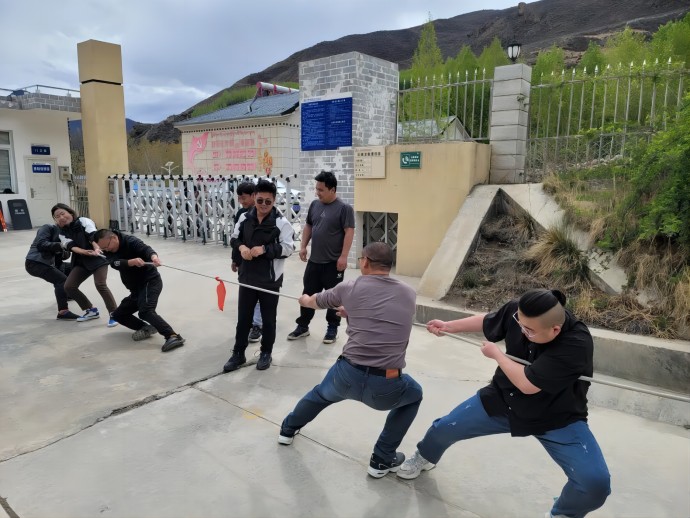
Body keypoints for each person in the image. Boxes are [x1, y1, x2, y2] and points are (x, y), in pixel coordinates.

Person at [398, 289, 611, 518]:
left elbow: (528, 384)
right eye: (520, 324)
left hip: (557, 416)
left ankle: (564, 513)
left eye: (529, 330)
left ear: (555, 330)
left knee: (594, 483)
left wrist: (497, 355)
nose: (522, 330)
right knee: (444, 428)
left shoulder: (576, 342)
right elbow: (490, 319)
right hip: (505, 399)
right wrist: (449, 326)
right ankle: (425, 456)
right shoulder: (521, 312)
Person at [278, 242, 423, 479]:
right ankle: (382, 459)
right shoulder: (409, 293)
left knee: (320, 395)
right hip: (386, 384)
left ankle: (287, 430)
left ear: (365, 262)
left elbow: (314, 302)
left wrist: (304, 299)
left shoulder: (349, 287)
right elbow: (386, 317)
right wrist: (352, 312)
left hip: (347, 375)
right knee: (414, 395)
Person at [223, 179, 294, 372]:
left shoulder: (281, 223)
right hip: (247, 277)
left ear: (274, 201)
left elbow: (288, 248)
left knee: (268, 320)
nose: (263, 205)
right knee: (243, 319)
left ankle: (265, 353)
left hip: (270, 280)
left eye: (268, 202)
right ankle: (238, 353)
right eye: (260, 200)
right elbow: (234, 238)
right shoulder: (244, 218)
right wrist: (242, 248)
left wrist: (264, 249)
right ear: (254, 198)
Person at [287, 171, 354, 344]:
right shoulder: (315, 205)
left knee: (334, 297)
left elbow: (349, 232)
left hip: (333, 263)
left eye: (321, 190)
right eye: (317, 189)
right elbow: (309, 226)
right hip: (314, 261)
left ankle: (332, 328)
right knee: (307, 293)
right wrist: (303, 246)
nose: (317, 192)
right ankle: (303, 326)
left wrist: (344, 257)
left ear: (333, 190)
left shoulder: (344, 208)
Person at [93, 229, 185, 353]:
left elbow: (146, 249)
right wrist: (131, 262)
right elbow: (114, 263)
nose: (106, 250)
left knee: (146, 311)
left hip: (149, 282)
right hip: (136, 289)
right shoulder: (108, 250)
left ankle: (172, 336)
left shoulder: (130, 241)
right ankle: (146, 328)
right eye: (103, 248)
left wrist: (154, 257)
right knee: (117, 315)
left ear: (114, 238)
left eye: (107, 246)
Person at [51, 203, 118, 326]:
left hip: (98, 257)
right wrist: (85, 252)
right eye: (57, 216)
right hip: (81, 259)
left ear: (70, 212)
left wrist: (97, 249)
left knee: (100, 284)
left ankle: (115, 314)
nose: (61, 217)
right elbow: (71, 246)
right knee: (69, 286)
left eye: (62, 213)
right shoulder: (61, 232)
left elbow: (93, 237)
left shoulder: (83, 221)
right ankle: (91, 310)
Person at [25, 223, 80, 320]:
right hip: (35, 262)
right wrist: (62, 245)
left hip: (50, 263)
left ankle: (65, 294)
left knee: (76, 268)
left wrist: (66, 250)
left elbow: (63, 257)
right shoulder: (47, 228)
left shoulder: (66, 235)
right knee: (61, 280)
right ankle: (63, 312)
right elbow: (41, 244)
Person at [232, 181, 263, 344]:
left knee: (259, 294)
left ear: (253, 196)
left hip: (260, 262)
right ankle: (249, 323)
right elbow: (236, 239)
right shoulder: (240, 214)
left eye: (244, 198)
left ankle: (257, 325)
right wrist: (235, 259)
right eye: (239, 198)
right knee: (247, 294)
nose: (241, 201)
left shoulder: (263, 213)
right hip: (244, 262)